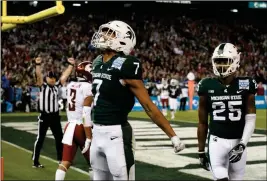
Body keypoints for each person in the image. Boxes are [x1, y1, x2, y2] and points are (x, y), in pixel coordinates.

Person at [90, 20, 185, 180]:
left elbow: (148, 105)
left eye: (110, 32)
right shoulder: (98, 62)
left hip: (116, 134)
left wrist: (173, 136)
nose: (103, 35)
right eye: (104, 31)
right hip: (96, 133)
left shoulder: (127, 64)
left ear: (122, 40)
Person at [197, 43, 257, 181]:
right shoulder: (206, 85)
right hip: (217, 141)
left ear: (236, 61)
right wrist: (201, 151)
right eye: (218, 61)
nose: (221, 65)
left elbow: (251, 119)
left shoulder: (246, 84)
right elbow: (202, 122)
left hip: (238, 141)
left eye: (225, 61)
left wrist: (242, 144)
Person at [32, 57, 75, 168]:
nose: (51, 79)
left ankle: (60, 159)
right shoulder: (42, 86)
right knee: (40, 138)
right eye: (50, 77)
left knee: (59, 138)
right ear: (47, 78)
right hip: (45, 116)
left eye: (53, 78)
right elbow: (39, 76)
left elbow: (65, 76)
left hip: (55, 116)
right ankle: (35, 161)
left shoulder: (57, 86)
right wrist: (38, 64)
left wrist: (70, 65)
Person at [55, 61, 94, 180]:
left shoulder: (70, 84)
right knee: (94, 164)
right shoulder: (88, 87)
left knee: (65, 162)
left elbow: (61, 82)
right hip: (81, 127)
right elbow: (86, 114)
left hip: (69, 126)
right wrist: (88, 137)